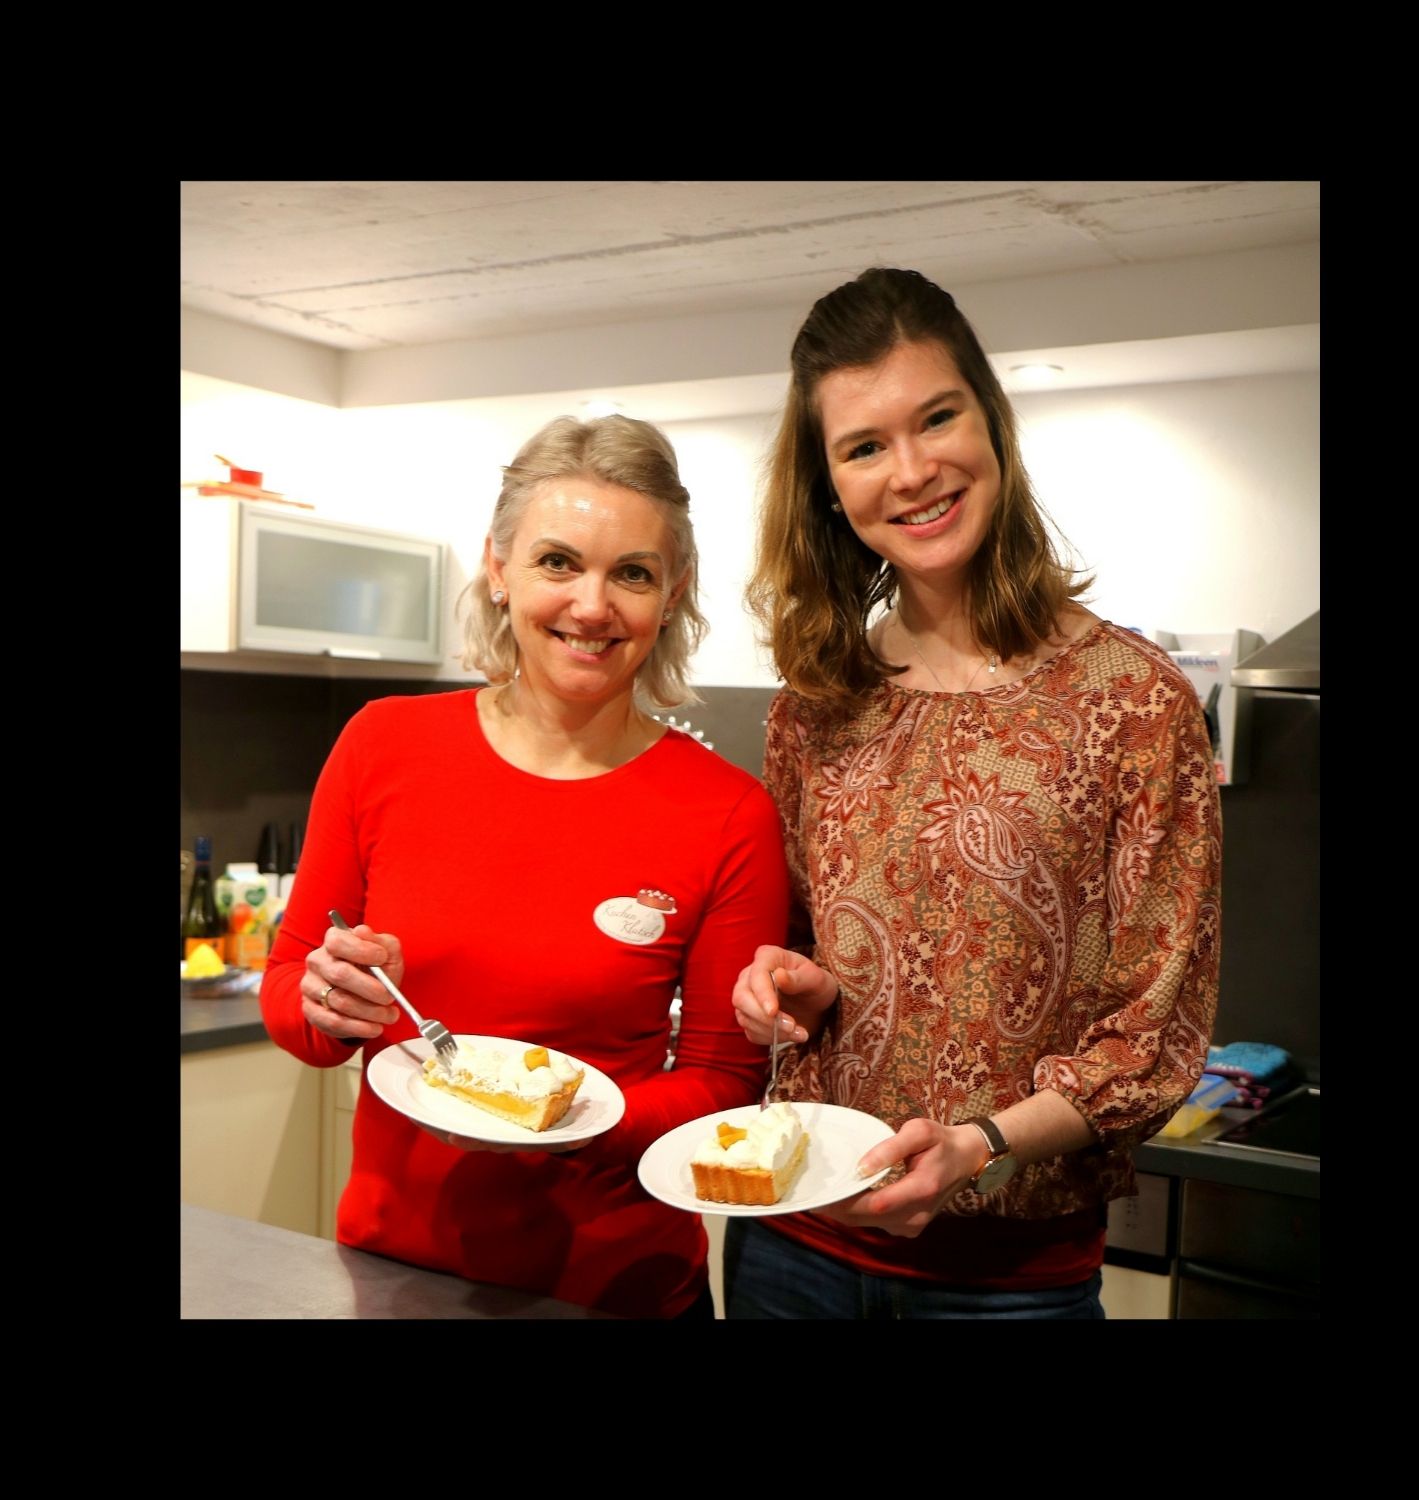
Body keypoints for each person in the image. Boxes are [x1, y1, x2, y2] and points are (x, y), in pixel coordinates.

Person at [725, 267, 1221, 1319]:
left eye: (935, 418)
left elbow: (1153, 1034)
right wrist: (783, 985)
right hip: (793, 1246)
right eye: (864, 447)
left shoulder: (1135, 703)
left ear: (989, 420)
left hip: (1007, 1284)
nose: (910, 472)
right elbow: (805, 949)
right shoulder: (816, 704)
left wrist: (982, 1145)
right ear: (828, 485)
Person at [260, 414, 789, 1319]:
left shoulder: (729, 812)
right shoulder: (383, 746)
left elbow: (723, 1081)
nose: (592, 605)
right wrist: (326, 1005)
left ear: (673, 594)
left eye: (632, 573)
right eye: (558, 562)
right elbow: (292, 995)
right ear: (499, 569)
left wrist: (582, 1126)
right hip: (397, 1273)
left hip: (615, 1287)